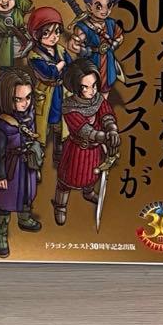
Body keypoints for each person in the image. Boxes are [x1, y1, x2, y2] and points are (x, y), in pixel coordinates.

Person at [53, 58, 119, 225]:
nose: (92, 90)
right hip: (76, 151)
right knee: (67, 180)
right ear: (76, 87)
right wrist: (103, 137)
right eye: (86, 87)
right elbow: (83, 129)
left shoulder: (98, 99)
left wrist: (111, 128)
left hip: (94, 152)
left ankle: (88, 192)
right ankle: (60, 205)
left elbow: (106, 113)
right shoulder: (69, 107)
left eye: (94, 85)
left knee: (91, 174)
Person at [0, 69, 44, 257]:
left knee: (27, 194)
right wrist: (0, 175)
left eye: (27, 97)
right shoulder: (3, 125)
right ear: (7, 98)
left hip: (26, 166)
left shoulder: (29, 114)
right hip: (10, 169)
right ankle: (0, 236)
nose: (24, 103)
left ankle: (24, 218)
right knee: (4, 203)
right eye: (18, 99)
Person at [26, 6, 69, 169]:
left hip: (60, 92)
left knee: (60, 129)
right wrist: (61, 65)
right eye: (47, 33)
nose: (53, 37)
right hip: (44, 93)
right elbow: (49, 73)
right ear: (37, 34)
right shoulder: (34, 55)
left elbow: (71, 67)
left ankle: (60, 160)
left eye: (56, 32)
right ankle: (36, 165)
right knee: (41, 132)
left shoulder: (61, 50)